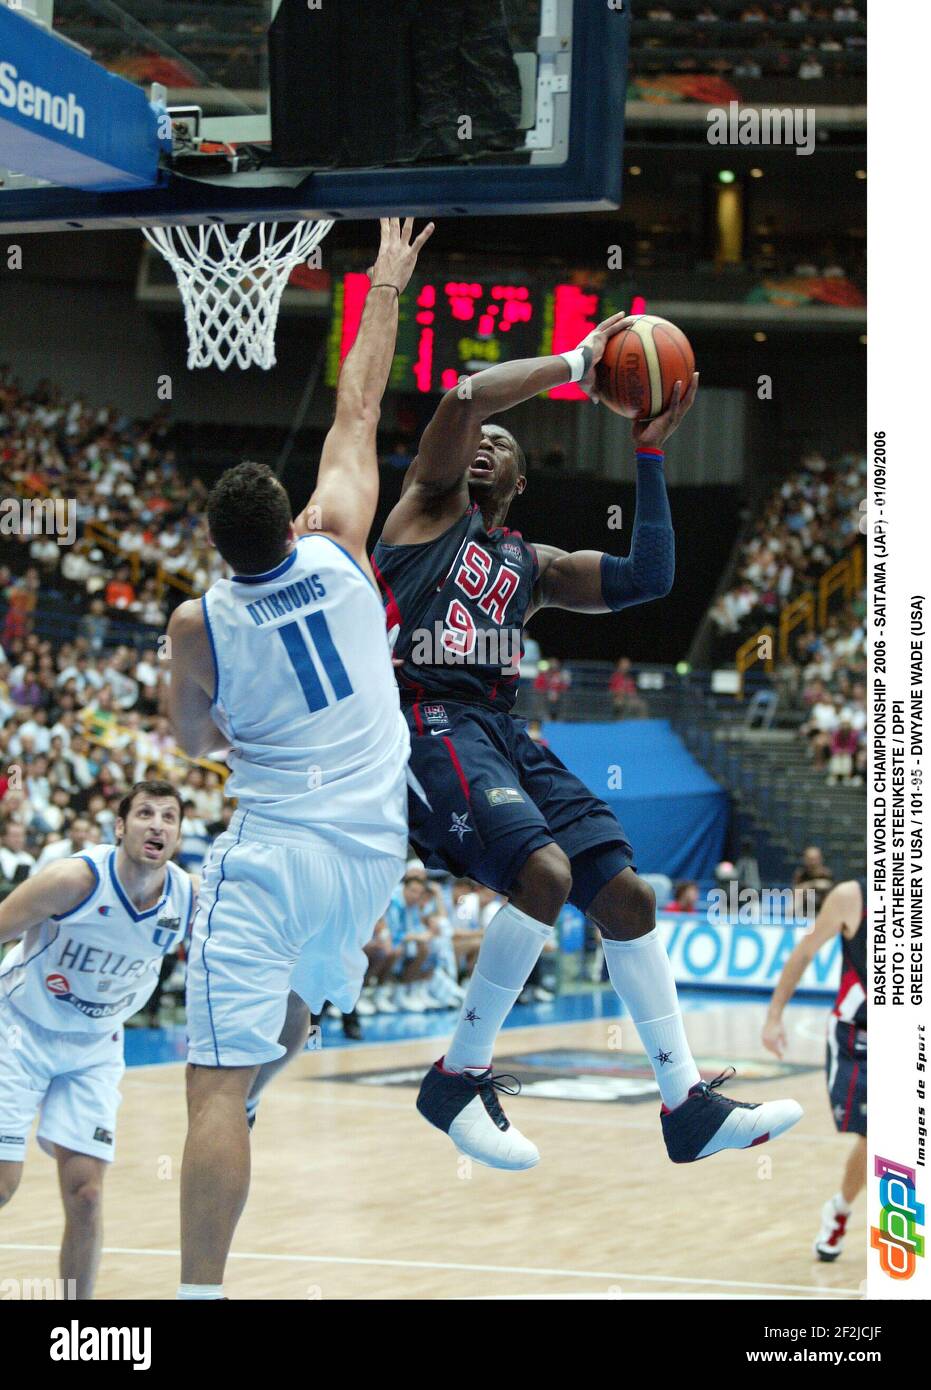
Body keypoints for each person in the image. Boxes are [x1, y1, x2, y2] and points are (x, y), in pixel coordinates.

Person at [371, 321, 802, 1169]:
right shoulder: (422, 512)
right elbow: (464, 395)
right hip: (426, 719)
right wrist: (574, 364)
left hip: (499, 728)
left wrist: (647, 454)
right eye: (478, 442)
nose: (484, 444)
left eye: (503, 444)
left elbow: (650, 578)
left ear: (522, 479)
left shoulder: (532, 564)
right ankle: (457, 1075)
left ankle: (686, 1106)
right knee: (544, 874)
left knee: (629, 897)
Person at [165, 218, 434, 1301]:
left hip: (274, 846)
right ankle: (253, 1092)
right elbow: (360, 402)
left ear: (219, 546)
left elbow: (189, 742)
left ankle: (195, 1299)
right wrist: (384, 279)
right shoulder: (342, 546)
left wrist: (232, 724)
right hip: (372, 847)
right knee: (294, 1015)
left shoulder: (197, 622)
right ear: (296, 517)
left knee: (209, 1091)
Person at [0, 781, 192, 1299]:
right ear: (121, 827)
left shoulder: (187, 897)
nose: (158, 824)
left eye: (169, 817)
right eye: (146, 813)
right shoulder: (73, 880)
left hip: (95, 1045)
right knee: (3, 1185)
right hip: (19, 1027)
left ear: (178, 834)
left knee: (86, 1194)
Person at [762, 880, 866, 1261]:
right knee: (880, 1133)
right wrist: (774, 1017)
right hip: (858, 1039)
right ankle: (841, 1211)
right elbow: (804, 953)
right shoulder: (851, 897)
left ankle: (842, 1207)